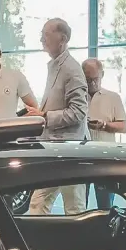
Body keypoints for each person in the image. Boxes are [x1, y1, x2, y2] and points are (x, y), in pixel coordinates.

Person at [25, 18, 89, 214]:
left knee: (74, 208)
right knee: (38, 204)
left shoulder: (71, 69)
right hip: (54, 150)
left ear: (63, 39)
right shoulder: (56, 66)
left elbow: (78, 112)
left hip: (70, 151)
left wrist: (45, 116)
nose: (41, 39)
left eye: (46, 34)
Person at [82, 58, 126, 143]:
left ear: (102, 74)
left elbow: (123, 127)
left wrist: (104, 125)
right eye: (88, 80)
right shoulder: (76, 97)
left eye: (95, 79)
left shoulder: (113, 97)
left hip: (106, 149)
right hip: (81, 149)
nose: (92, 83)